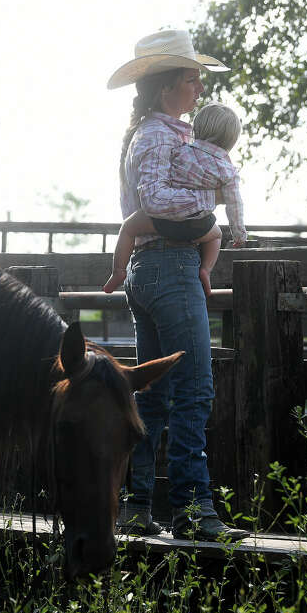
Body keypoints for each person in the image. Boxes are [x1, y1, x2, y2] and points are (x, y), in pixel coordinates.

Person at [107, 29, 250, 541]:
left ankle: (140, 504)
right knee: (194, 388)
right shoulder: (159, 136)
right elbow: (155, 201)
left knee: (154, 392)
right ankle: (194, 509)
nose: (198, 88)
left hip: (151, 271)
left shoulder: (156, 134)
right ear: (168, 86)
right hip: (168, 265)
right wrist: (208, 219)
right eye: (191, 79)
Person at [102, 102, 248, 295]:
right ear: (231, 141)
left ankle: (119, 271)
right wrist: (239, 233)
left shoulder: (181, 150)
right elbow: (235, 205)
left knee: (128, 228)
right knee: (217, 235)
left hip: (163, 222)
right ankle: (206, 269)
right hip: (198, 225)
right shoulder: (228, 171)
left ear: (198, 128)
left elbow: (163, 181)